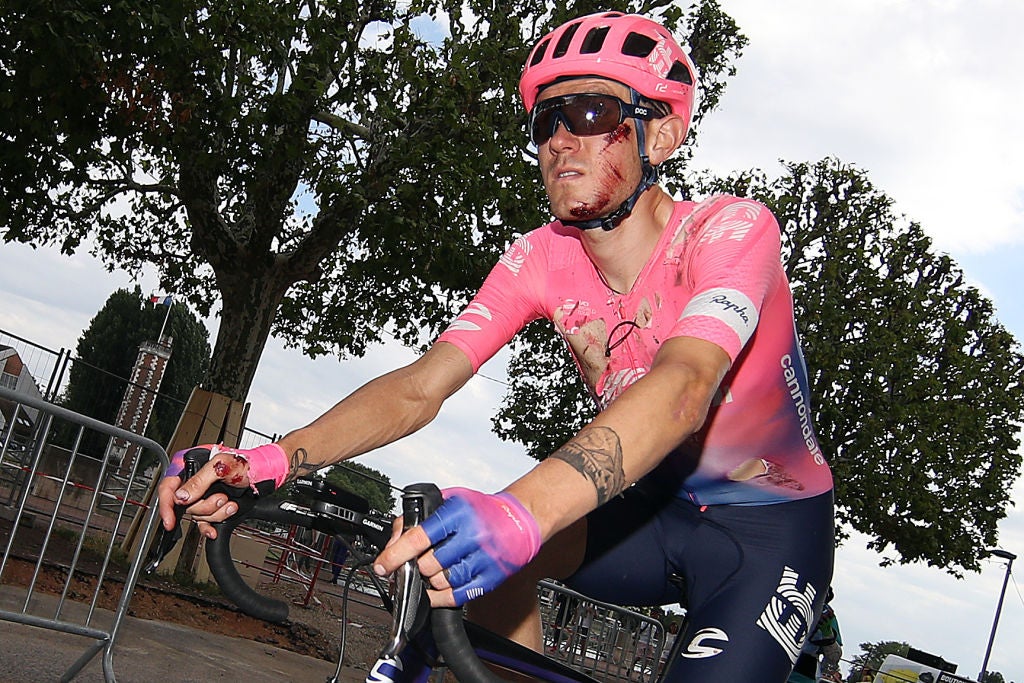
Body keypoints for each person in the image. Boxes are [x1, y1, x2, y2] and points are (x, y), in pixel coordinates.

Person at [157, 11, 834, 681]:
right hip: (650, 507)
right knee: (461, 557)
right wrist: (275, 458)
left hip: (769, 530)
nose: (562, 141)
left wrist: (519, 512)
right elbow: (422, 385)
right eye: (546, 122)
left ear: (662, 132)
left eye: (592, 114)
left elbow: (686, 387)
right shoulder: (541, 257)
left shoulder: (730, 230)